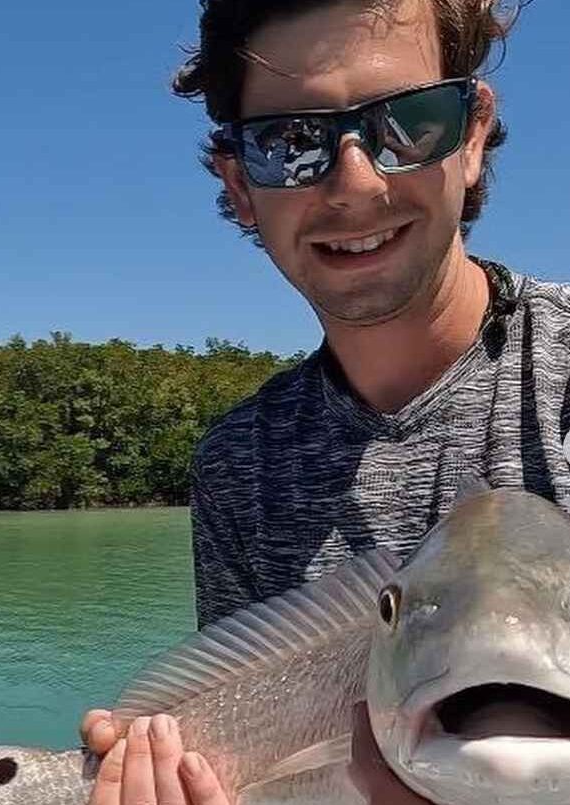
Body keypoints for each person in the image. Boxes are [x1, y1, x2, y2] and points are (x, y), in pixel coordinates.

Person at [80, 0, 537, 802]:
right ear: (239, 183)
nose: (354, 182)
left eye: (410, 122)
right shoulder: (237, 465)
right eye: (289, 143)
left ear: (469, 135)